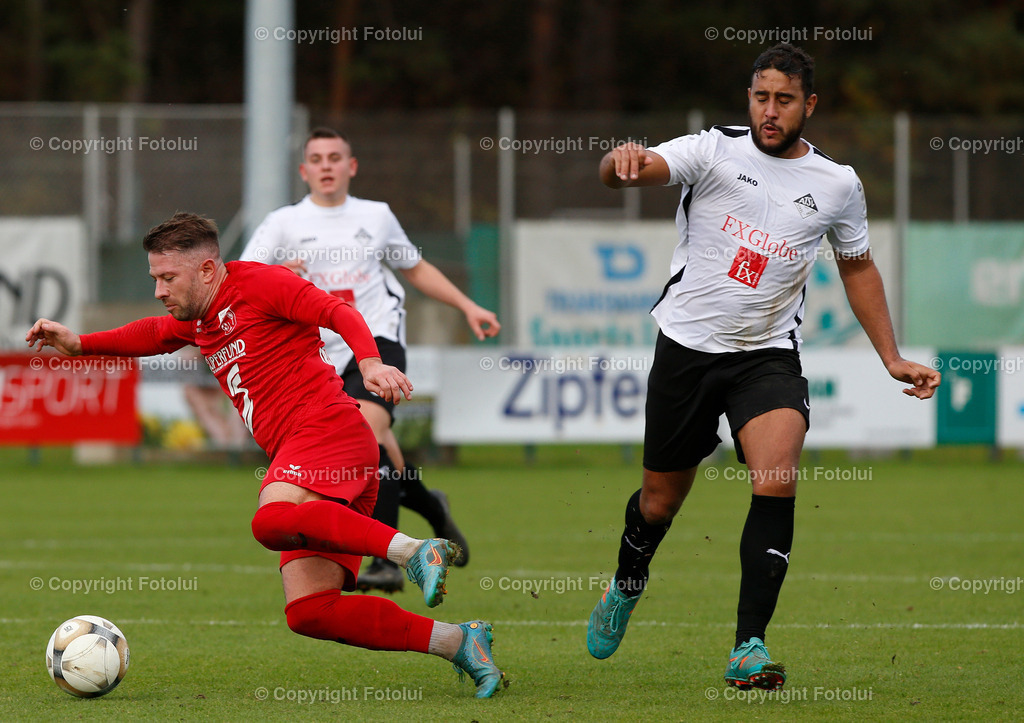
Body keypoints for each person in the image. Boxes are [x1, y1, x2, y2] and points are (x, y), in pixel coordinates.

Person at [26, 212, 505, 698]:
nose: (159, 290)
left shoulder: (258, 282)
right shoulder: (200, 320)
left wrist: (369, 361)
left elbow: (337, 313)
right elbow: (152, 334)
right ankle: (459, 641)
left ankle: (413, 551)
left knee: (269, 520)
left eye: (168, 278)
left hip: (327, 429)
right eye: (155, 278)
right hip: (312, 454)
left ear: (208, 270)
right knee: (311, 612)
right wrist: (80, 343)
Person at [585, 43, 940, 691]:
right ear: (747, 97)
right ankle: (625, 586)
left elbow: (857, 266)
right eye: (759, 97)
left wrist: (890, 355)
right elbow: (628, 172)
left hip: (767, 355)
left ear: (809, 104)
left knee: (776, 477)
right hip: (687, 352)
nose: (768, 111)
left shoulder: (838, 184)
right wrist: (620, 162)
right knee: (660, 503)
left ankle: (748, 644)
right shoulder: (712, 149)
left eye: (782, 99)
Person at [240, 127, 500, 593]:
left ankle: (385, 563)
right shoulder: (282, 223)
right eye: (316, 158)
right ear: (303, 171)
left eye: (335, 157)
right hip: (318, 355)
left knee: (364, 430)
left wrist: (467, 306)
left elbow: (414, 267)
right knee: (375, 443)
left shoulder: (375, 216)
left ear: (351, 166)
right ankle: (431, 505)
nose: (325, 166)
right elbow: (243, 276)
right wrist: (276, 270)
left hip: (376, 343)